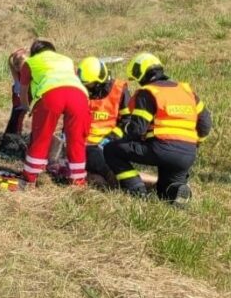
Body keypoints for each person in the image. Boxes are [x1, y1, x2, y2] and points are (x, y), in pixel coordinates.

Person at [105, 53, 212, 204]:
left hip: (161, 149)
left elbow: (137, 129)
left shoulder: (148, 93)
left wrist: (118, 138)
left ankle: (136, 190)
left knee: (111, 150)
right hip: (187, 154)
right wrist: (195, 144)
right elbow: (206, 124)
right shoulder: (186, 91)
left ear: (142, 75)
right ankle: (176, 192)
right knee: (164, 191)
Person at [17, 40, 92, 187]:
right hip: (79, 95)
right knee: (77, 138)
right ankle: (77, 180)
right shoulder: (67, 60)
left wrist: (27, 107)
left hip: (51, 95)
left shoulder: (30, 62)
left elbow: (23, 90)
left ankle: (30, 177)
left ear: (34, 52)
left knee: (42, 136)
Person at [77, 56, 131, 186]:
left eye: (89, 85)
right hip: (83, 143)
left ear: (99, 81)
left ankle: (110, 176)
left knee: (97, 156)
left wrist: (109, 138)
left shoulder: (119, 90)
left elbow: (128, 121)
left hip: (108, 143)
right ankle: (102, 177)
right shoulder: (81, 90)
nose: (86, 89)